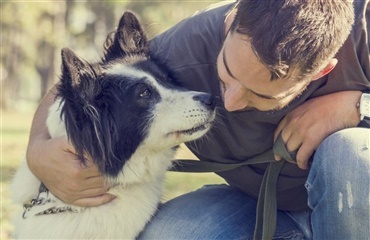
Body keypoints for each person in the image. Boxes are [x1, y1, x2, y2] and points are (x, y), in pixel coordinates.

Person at [26, 0, 369, 239]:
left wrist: (355, 105)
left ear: (321, 71)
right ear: (230, 20)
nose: (230, 103)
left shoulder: (363, 28)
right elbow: (84, 83)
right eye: (225, 76)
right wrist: (37, 150)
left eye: (260, 95)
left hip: (357, 204)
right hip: (257, 207)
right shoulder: (186, 46)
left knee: (349, 152)